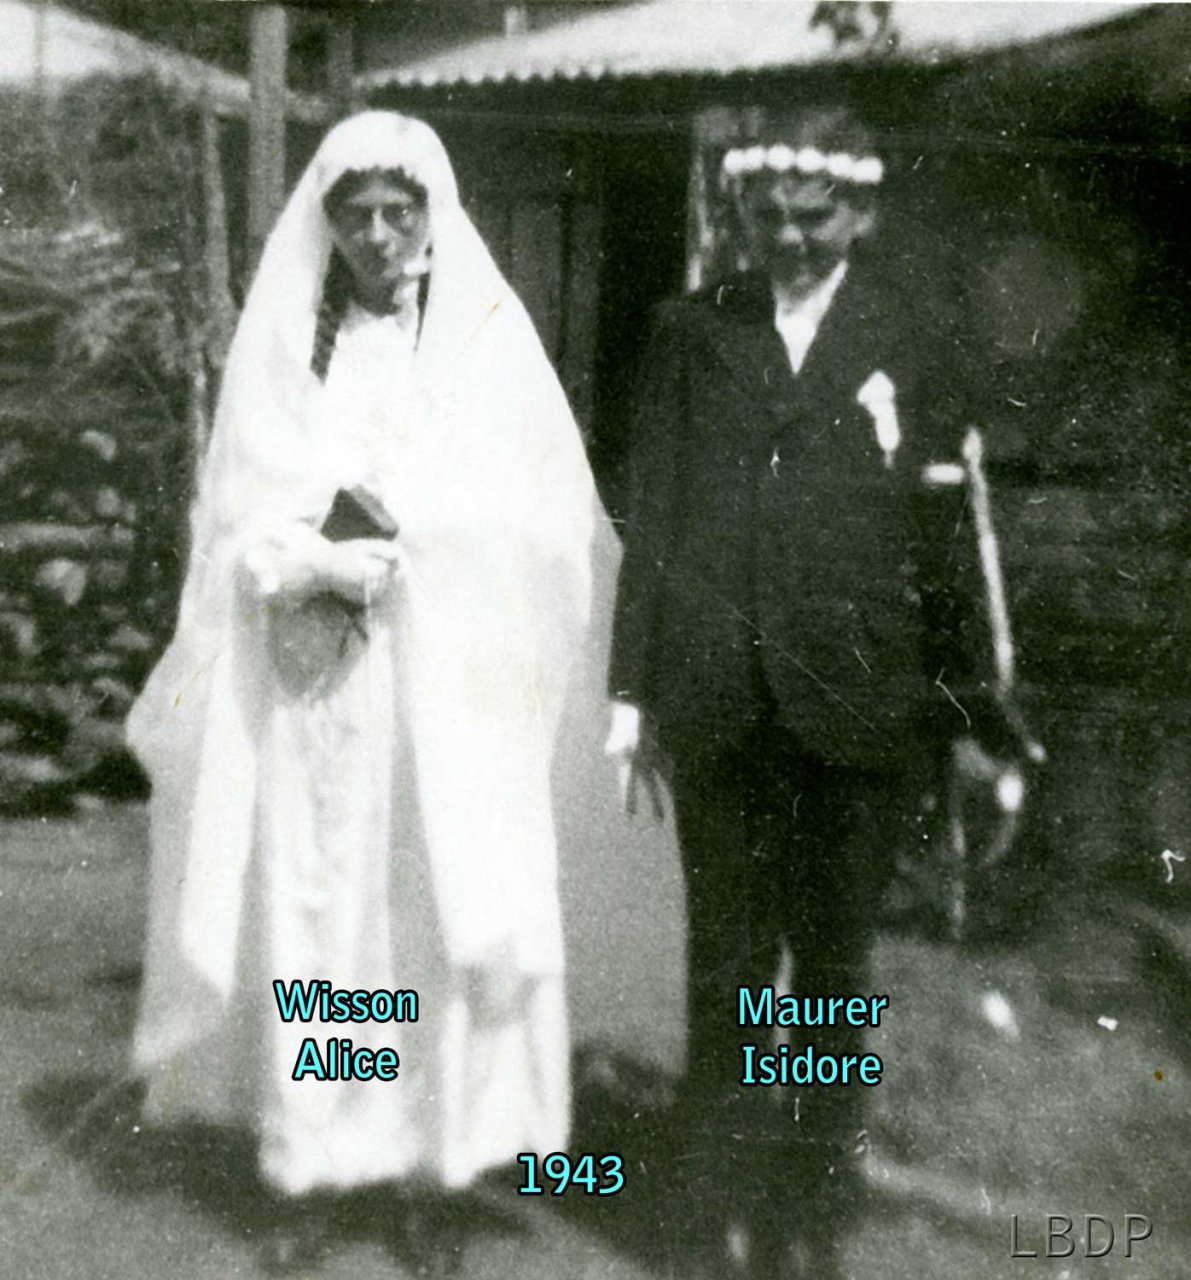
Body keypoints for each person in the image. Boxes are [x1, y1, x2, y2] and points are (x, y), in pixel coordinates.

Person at [127, 110, 606, 1273]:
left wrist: (428, 540)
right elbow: (238, 513)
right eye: (358, 216)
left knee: (427, 915)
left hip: (447, 688)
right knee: (319, 910)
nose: (381, 235)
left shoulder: (484, 344)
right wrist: (301, 555)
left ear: (433, 218)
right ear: (330, 225)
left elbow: (545, 520)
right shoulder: (292, 349)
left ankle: (433, 1162)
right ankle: (317, 1154)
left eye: (400, 213)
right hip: (318, 688)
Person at [606, 108, 1024, 1278]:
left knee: (834, 973)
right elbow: (656, 515)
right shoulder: (693, 330)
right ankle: (716, 1211)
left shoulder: (913, 337)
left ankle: (811, 1210)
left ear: (861, 212)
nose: (789, 236)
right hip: (722, 702)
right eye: (769, 216)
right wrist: (633, 691)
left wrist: (967, 712)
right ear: (742, 214)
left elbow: (947, 540)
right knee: (729, 969)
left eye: (814, 216)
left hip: (858, 707)